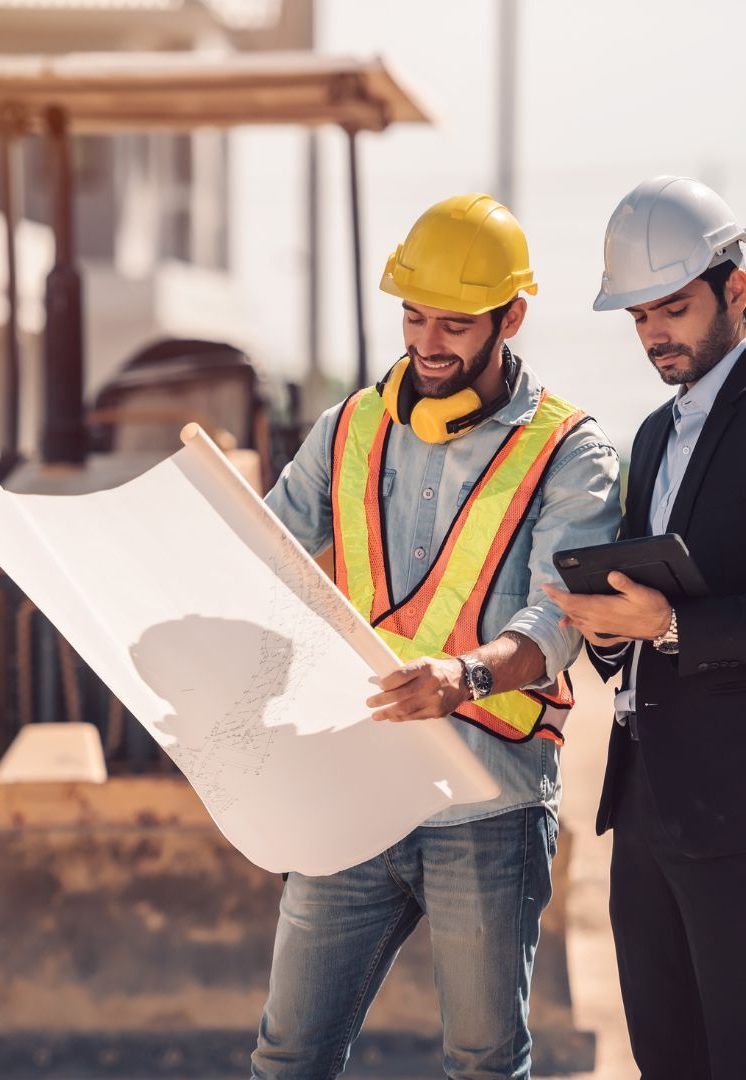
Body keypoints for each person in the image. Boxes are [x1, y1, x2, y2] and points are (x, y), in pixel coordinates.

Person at [251, 193, 621, 1079]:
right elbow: (260, 555)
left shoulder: (569, 452)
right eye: (414, 316)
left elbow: (558, 619)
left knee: (484, 1063)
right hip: (354, 788)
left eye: (455, 322)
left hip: (487, 806)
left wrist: (464, 675)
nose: (427, 342)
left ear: (512, 317)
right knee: (288, 1057)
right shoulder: (346, 430)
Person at [543, 175, 746, 1079]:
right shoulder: (651, 435)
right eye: (640, 315)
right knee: (668, 1060)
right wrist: (612, 630)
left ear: (737, 290)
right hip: (648, 801)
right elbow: (650, 614)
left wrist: (677, 625)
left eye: (673, 308)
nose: (655, 333)